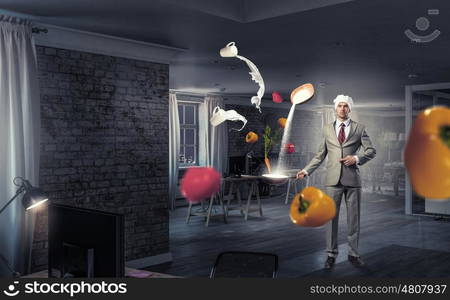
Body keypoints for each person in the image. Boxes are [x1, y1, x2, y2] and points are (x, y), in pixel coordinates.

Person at [296, 95, 376, 269]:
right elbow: (320, 155)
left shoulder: (359, 128)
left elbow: (371, 151)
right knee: (331, 219)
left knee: (354, 219)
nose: (342, 109)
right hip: (332, 181)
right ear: (335, 108)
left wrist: (356, 158)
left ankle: (354, 254)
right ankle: (331, 255)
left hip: (353, 180)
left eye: (345, 106)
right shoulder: (326, 129)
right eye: (339, 106)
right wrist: (306, 170)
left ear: (350, 109)